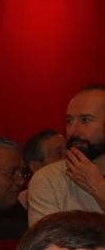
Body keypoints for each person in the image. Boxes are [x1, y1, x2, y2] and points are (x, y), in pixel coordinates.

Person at [28, 86, 105, 225]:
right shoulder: (48, 180)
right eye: (69, 121)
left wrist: (99, 188)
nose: (72, 131)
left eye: (85, 120)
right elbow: (48, 244)